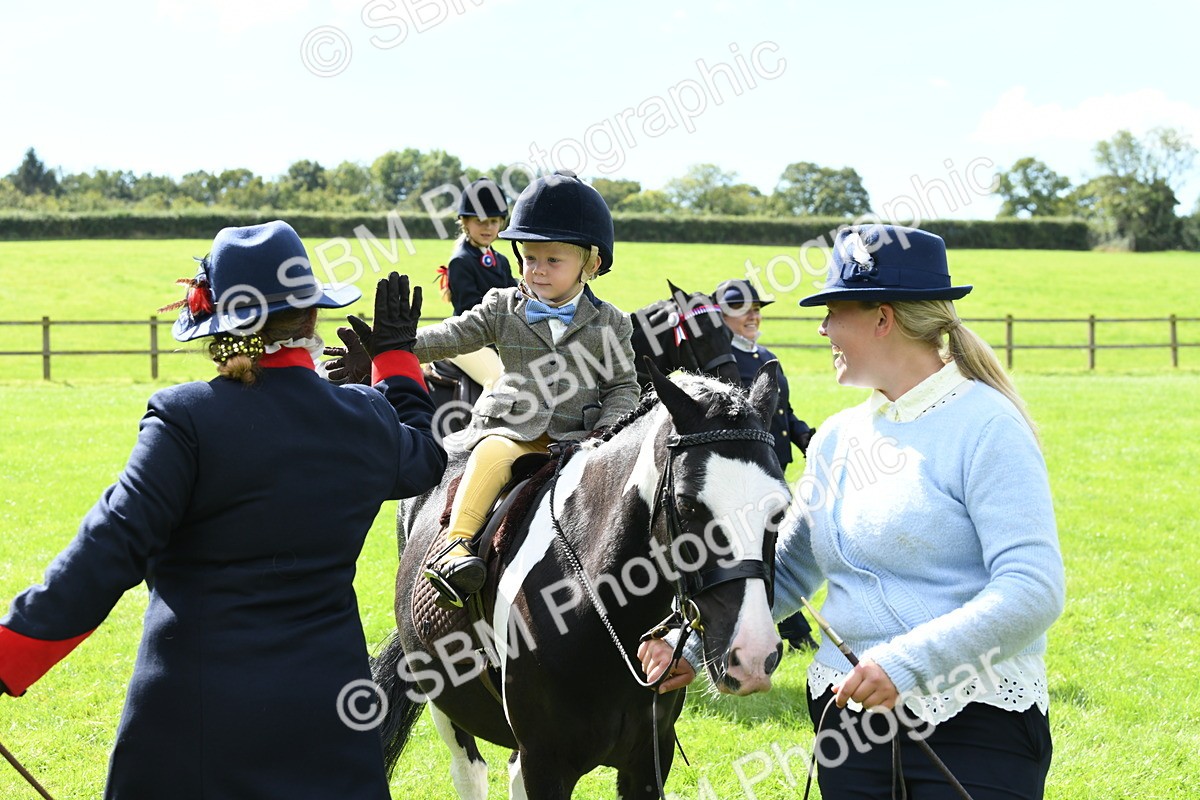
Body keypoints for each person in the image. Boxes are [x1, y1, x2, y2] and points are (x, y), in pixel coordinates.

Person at [0, 221, 446, 799]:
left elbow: (108, 550)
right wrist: (394, 358)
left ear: (217, 327)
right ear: (311, 316)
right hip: (332, 718)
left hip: (195, 724)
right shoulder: (365, 418)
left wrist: (10, 658)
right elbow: (426, 455)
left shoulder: (185, 419)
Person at [641, 225, 1065, 799]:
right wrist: (692, 646)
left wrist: (906, 665)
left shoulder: (988, 426)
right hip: (850, 726)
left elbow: (1033, 589)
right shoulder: (838, 438)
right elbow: (787, 571)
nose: (821, 329)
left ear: (882, 318)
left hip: (977, 724)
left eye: (833, 311)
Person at [357, 170, 640, 609]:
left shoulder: (612, 323)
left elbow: (623, 387)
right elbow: (454, 335)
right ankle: (454, 546)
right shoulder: (502, 306)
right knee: (493, 454)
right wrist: (395, 345)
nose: (537, 270)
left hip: (579, 438)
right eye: (529, 258)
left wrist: (605, 435)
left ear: (591, 263)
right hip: (512, 428)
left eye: (553, 261)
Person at [713, 277, 819, 652]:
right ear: (722, 316)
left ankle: (791, 628)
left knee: (774, 544)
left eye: (756, 309)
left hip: (776, 461)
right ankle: (795, 630)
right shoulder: (722, 361)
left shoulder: (764, 356)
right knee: (769, 545)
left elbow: (782, 412)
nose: (753, 316)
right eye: (743, 310)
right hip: (747, 470)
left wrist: (805, 436)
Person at [437, 177, 518, 390]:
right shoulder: (461, 261)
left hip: (497, 338)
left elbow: (515, 295)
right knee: (498, 379)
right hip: (467, 338)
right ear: (465, 222)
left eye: (493, 221)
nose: (488, 227)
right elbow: (469, 308)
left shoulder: (501, 260)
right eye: (480, 221)